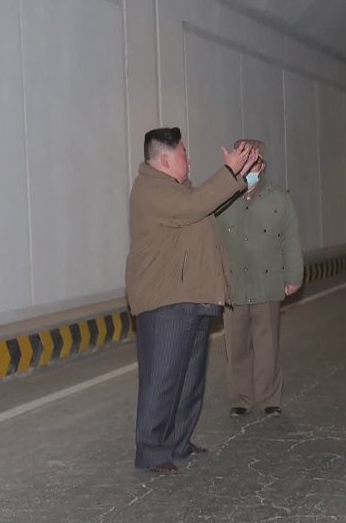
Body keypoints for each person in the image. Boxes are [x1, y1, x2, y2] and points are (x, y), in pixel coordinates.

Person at [125, 127, 259, 473]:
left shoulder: (177, 191)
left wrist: (243, 175)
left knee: (188, 380)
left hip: (192, 296)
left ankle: (178, 443)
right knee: (163, 379)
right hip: (167, 300)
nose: (190, 158)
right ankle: (152, 451)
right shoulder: (150, 189)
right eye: (184, 153)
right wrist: (228, 171)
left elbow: (206, 203)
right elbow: (196, 205)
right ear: (165, 159)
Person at [215, 139, 303, 417]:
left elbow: (290, 238)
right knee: (236, 345)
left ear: (262, 165)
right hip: (233, 284)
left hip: (267, 282)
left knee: (267, 345)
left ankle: (268, 397)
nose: (250, 166)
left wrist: (294, 275)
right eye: (244, 161)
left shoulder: (279, 198)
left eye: (254, 161)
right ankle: (240, 397)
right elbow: (210, 240)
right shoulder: (221, 197)